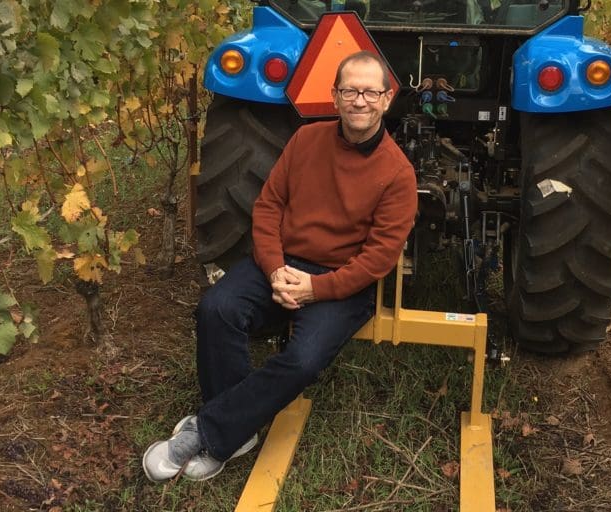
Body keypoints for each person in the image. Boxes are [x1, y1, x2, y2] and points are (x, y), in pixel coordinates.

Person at [142, 51, 418, 482]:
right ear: (334, 96)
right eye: (349, 91)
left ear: (386, 100)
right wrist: (274, 269)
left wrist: (315, 290)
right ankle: (241, 431)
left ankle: (211, 431)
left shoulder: (398, 174)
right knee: (217, 309)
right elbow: (268, 207)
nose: (358, 101)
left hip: (338, 281)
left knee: (304, 360)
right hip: (281, 263)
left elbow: (377, 259)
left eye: (369, 92)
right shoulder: (306, 141)